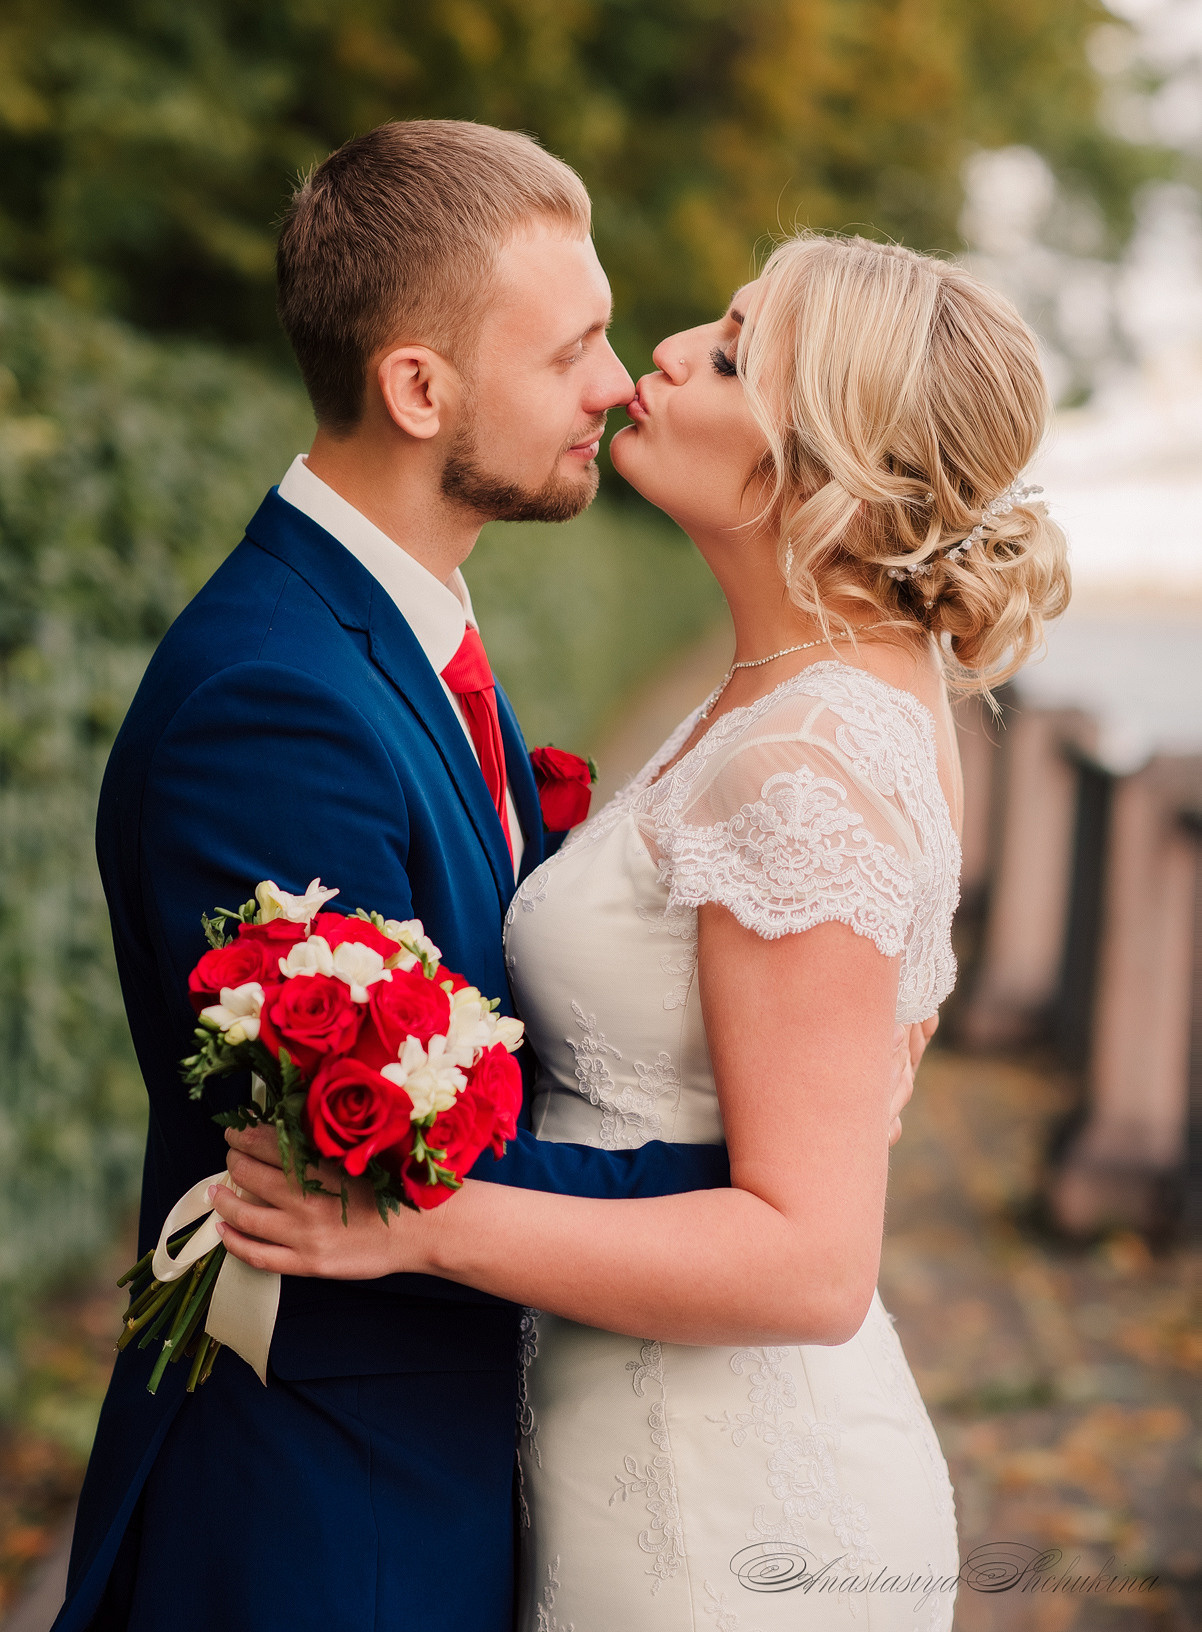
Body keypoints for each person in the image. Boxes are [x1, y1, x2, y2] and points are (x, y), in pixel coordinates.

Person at [215, 231, 1071, 1630]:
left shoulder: (807, 760)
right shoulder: (809, 690)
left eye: (731, 355)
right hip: (636, 1437)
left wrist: (412, 1224)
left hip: (717, 1509)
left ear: (827, 466)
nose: (664, 355)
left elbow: (809, 1261)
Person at [57, 121, 798, 1632]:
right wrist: (762, 1213)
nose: (612, 383)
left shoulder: (407, 631)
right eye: (572, 347)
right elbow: (367, 1165)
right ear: (418, 389)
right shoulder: (268, 703)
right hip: (327, 1522)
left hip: (434, 1475)